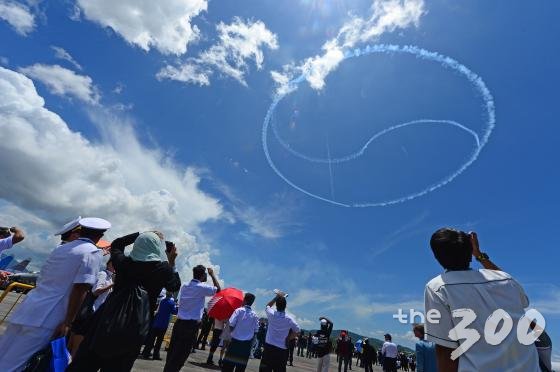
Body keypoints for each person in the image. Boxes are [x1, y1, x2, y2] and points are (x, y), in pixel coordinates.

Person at [0, 217, 109, 371]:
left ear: (80, 231)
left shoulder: (60, 249)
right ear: (100, 236)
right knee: (17, 364)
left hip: (28, 308)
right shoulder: (92, 252)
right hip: (48, 316)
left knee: (4, 354)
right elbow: (80, 288)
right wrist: (67, 323)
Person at [424, 228, 540, 372]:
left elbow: (445, 349)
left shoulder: (438, 288)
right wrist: (479, 255)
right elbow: (521, 298)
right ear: (470, 250)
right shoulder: (505, 280)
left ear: (436, 256)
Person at [68, 231, 181, 371]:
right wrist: (172, 262)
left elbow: (117, 244)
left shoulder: (123, 262)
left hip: (106, 321)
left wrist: (140, 234)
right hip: (135, 329)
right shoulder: (163, 269)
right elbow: (175, 285)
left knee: (85, 363)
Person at [164, 264, 221, 372]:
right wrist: (212, 275)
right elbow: (218, 290)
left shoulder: (185, 285)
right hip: (191, 326)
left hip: (179, 323)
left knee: (172, 353)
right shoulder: (202, 288)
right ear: (202, 276)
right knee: (181, 355)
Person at [259, 293, 300, 372]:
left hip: (269, 348)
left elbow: (267, 306)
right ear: (285, 306)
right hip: (281, 351)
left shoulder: (271, 314)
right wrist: (288, 338)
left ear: (276, 305)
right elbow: (297, 331)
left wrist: (276, 297)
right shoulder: (289, 319)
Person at [222, 293, 259, 372]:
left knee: (227, 367)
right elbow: (256, 332)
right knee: (240, 369)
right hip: (246, 346)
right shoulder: (255, 315)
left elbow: (231, 325)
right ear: (252, 302)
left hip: (235, 343)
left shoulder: (238, 311)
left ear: (244, 300)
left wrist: (233, 333)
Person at [142, 291, 178, 360]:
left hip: (156, 323)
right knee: (159, 341)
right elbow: (174, 312)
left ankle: (146, 353)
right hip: (163, 324)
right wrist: (175, 305)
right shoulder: (172, 303)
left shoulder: (162, 301)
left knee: (151, 340)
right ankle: (156, 355)